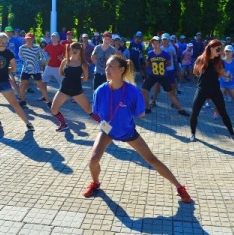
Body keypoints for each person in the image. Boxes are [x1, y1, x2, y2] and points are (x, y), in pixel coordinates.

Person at [82, 54, 191, 203]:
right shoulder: (100, 91)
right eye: (106, 66)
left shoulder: (133, 92)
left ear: (121, 70)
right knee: (93, 159)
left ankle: (179, 187)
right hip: (107, 130)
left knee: (152, 160)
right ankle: (95, 183)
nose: (106, 69)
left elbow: (140, 114)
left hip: (128, 131)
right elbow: (96, 112)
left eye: (110, 66)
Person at [190, 39, 234, 143]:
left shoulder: (220, 62)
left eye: (221, 49)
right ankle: (193, 133)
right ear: (211, 48)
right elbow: (195, 71)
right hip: (201, 90)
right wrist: (203, 78)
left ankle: (232, 134)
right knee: (194, 113)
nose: (220, 51)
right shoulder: (201, 59)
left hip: (215, 90)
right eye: (218, 49)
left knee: (223, 113)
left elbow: (222, 74)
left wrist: (227, 77)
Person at [0, 33, 34, 130]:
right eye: (1, 41)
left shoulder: (9, 53)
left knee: (14, 103)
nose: (3, 43)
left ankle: (27, 123)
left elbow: (14, 68)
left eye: (5, 41)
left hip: (4, 81)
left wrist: (5, 70)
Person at [51, 42, 100, 131]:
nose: (74, 50)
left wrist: (76, 79)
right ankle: (63, 124)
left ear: (80, 50)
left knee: (89, 110)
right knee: (54, 109)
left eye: (77, 49)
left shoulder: (83, 64)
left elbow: (85, 79)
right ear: (69, 49)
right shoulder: (65, 61)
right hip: (64, 88)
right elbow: (61, 73)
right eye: (73, 48)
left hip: (76, 90)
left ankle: (107, 128)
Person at [141, 36, 189, 116]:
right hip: (152, 75)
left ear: (160, 43)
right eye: (153, 43)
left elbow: (169, 63)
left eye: (157, 43)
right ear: (151, 44)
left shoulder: (165, 54)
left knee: (170, 93)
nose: (155, 45)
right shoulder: (150, 53)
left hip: (163, 76)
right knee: (144, 91)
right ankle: (148, 108)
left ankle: (181, 109)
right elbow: (147, 64)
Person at [18, 33, 51, 108]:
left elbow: (43, 57)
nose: (29, 40)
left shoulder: (37, 48)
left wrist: (38, 62)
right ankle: (23, 101)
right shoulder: (21, 48)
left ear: (33, 39)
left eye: (30, 39)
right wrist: (27, 61)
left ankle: (49, 102)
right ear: (25, 39)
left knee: (41, 86)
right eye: (27, 39)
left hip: (36, 69)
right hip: (26, 69)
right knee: (22, 85)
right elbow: (21, 56)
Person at [38, 32, 65, 102]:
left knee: (63, 83)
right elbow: (43, 53)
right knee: (43, 81)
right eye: (53, 37)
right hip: (49, 66)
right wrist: (43, 59)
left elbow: (66, 57)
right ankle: (44, 95)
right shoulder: (49, 46)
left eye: (55, 37)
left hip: (58, 68)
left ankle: (65, 96)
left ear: (58, 38)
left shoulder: (62, 47)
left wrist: (62, 60)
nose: (54, 38)